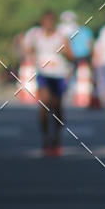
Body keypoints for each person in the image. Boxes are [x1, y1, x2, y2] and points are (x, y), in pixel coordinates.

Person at [24, 10, 73, 156]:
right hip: (43, 74)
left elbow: (71, 55)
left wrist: (64, 54)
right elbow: (29, 51)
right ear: (42, 22)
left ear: (54, 22)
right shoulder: (36, 36)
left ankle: (57, 139)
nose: (48, 24)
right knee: (44, 104)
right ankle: (45, 139)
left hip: (58, 75)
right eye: (46, 21)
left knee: (57, 106)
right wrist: (32, 56)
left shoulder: (61, 37)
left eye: (51, 21)